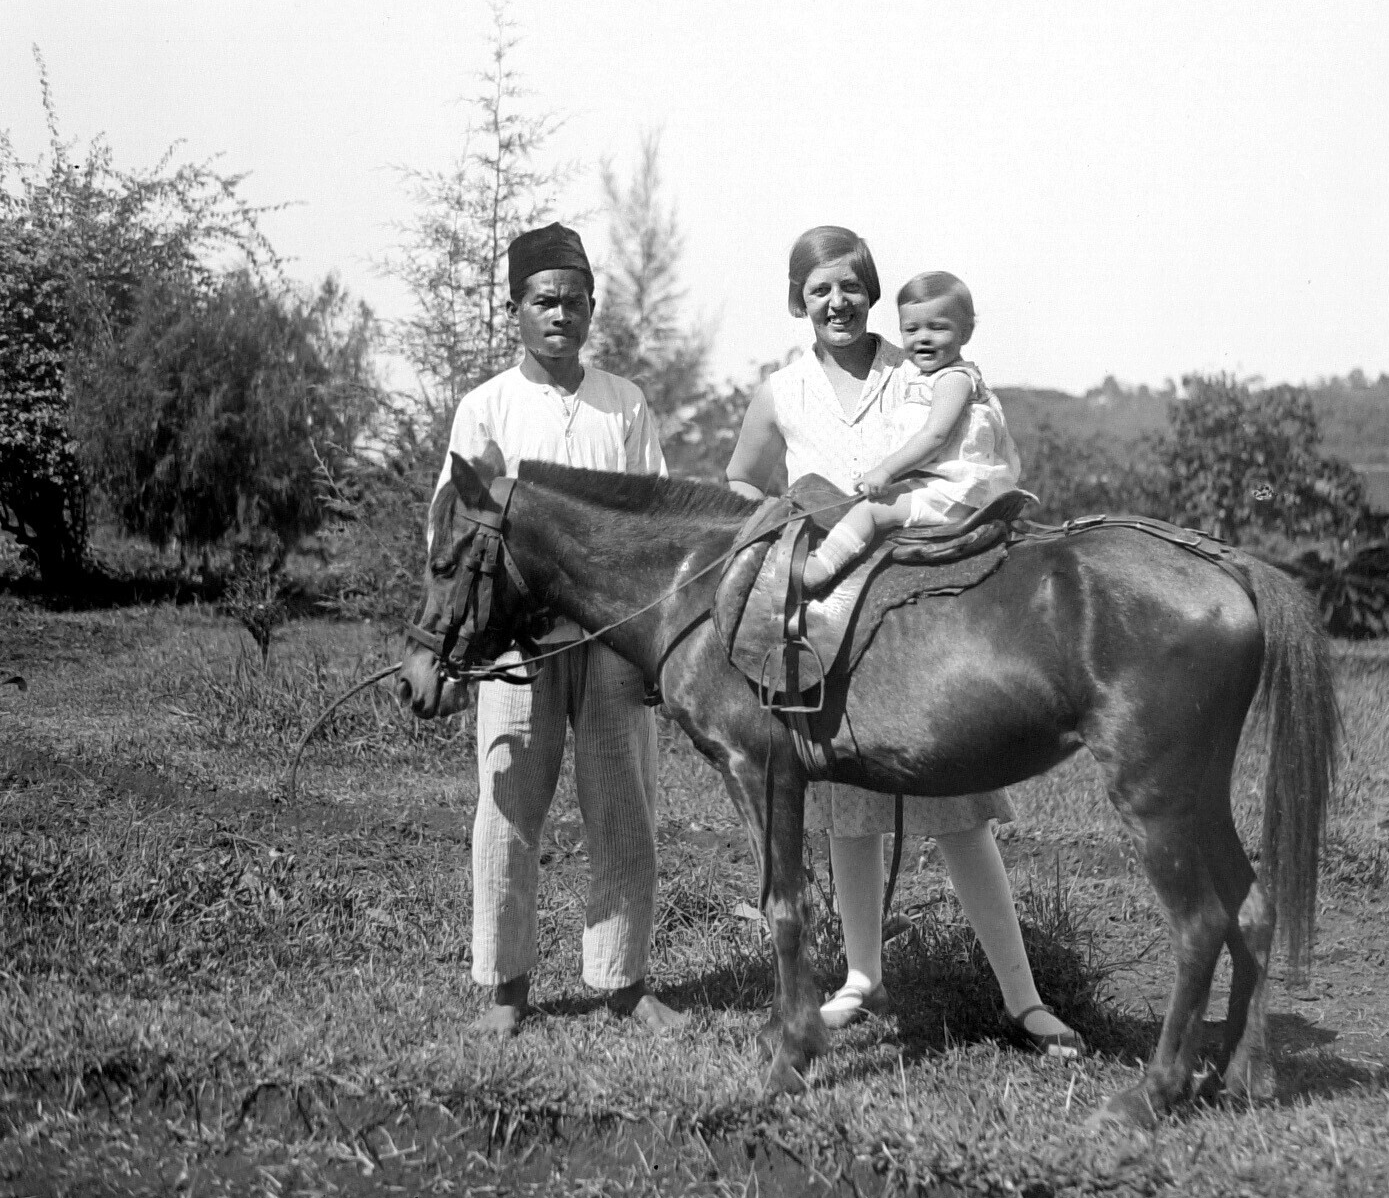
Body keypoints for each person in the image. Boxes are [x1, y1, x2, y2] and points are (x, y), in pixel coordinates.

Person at [724, 226, 1082, 1058]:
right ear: (797, 301)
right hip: (826, 615)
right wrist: (782, 515)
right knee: (846, 808)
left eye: (850, 286)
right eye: (819, 289)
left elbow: (976, 453)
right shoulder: (781, 391)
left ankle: (1023, 998)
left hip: (921, 612)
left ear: (872, 293)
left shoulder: (916, 366)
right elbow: (739, 478)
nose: (837, 301)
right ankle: (861, 978)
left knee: (956, 807)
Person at [429, 222, 687, 1037]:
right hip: (516, 646)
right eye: (544, 300)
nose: (560, 315)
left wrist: (655, 644)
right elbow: (453, 528)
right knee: (507, 808)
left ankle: (623, 980)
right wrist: (465, 638)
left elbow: (655, 524)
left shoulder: (623, 402)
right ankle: (505, 987)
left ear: (591, 309)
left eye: (575, 301)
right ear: (515, 309)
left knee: (624, 808)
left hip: (612, 640)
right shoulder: (487, 407)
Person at [802, 270, 1020, 591]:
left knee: (870, 512)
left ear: (966, 332)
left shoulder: (954, 379)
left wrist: (886, 471)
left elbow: (935, 437)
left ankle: (820, 568)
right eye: (912, 329)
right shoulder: (925, 380)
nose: (923, 338)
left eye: (938, 327)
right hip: (937, 487)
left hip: (952, 495)